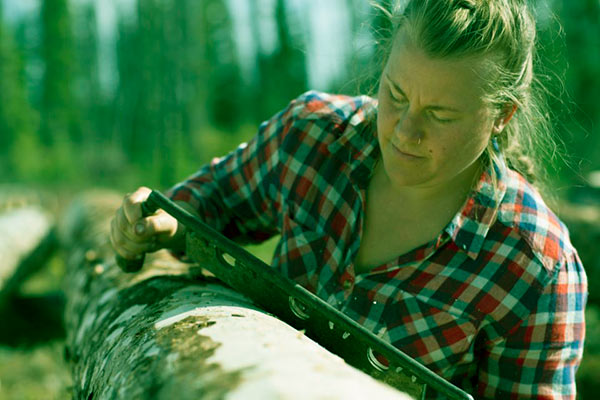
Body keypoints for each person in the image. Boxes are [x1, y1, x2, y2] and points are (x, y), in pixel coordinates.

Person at [110, 0, 587, 398]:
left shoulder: (536, 268)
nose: (405, 130)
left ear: (502, 115)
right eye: (395, 94)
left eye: (439, 115)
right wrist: (160, 221)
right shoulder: (314, 137)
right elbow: (209, 200)